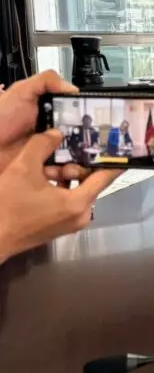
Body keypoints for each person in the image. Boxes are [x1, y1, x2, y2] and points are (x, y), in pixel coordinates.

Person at [0, 70, 121, 266]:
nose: (88, 124)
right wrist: (7, 229)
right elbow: (69, 142)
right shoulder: (75, 131)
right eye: (86, 121)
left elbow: (97, 143)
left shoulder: (94, 132)